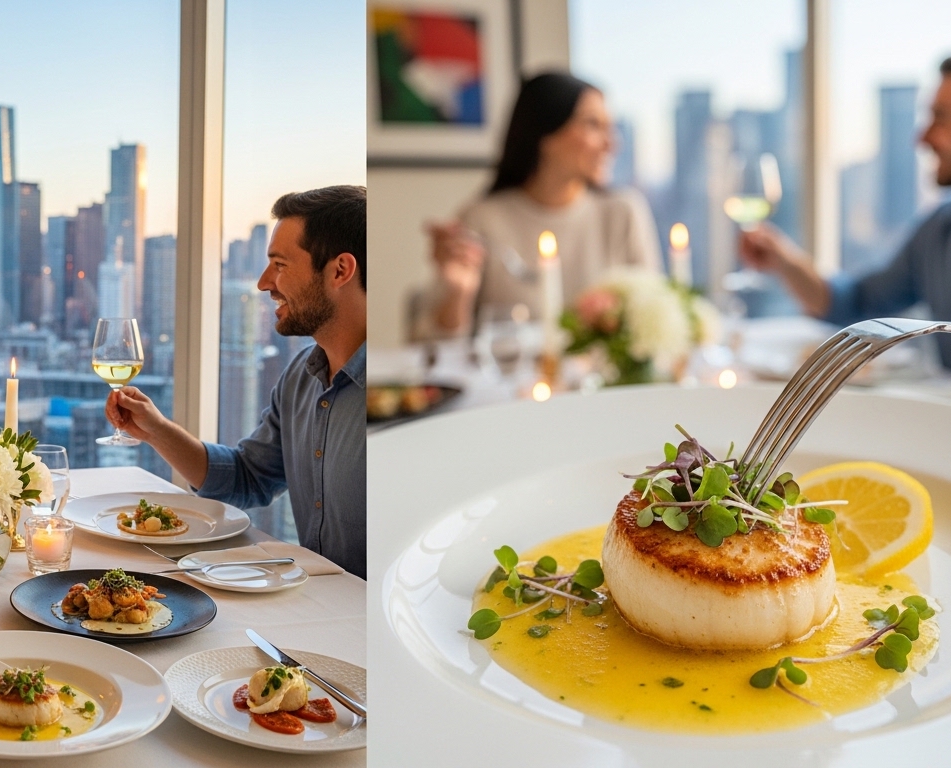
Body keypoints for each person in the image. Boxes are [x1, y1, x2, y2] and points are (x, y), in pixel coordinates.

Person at [740, 50, 951, 407]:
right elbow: (855, 305)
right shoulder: (939, 230)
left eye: (941, 119)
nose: (923, 137)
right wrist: (784, 260)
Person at [106, 186, 366, 578]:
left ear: (340, 271)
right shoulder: (300, 376)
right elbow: (248, 478)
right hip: (317, 600)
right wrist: (156, 430)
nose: (264, 283)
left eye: (280, 264)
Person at [415, 72, 661, 339]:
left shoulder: (622, 213)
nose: (612, 143)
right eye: (593, 125)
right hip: (511, 378)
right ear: (545, 134)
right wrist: (458, 292)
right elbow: (429, 347)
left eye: (609, 127)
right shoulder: (482, 219)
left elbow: (652, 327)